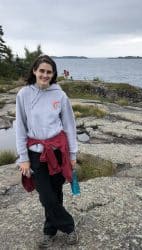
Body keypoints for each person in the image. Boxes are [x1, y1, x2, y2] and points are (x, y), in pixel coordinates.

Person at [15, 55, 78, 248]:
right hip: (35, 153)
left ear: (53, 74)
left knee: (56, 191)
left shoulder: (59, 95)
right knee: (45, 195)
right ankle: (69, 227)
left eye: (48, 72)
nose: (44, 75)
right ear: (34, 70)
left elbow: (69, 125)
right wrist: (23, 158)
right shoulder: (23, 94)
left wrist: (73, 154)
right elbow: (20, 127)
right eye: (41, 70)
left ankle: (49, 230)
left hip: (58, 151)